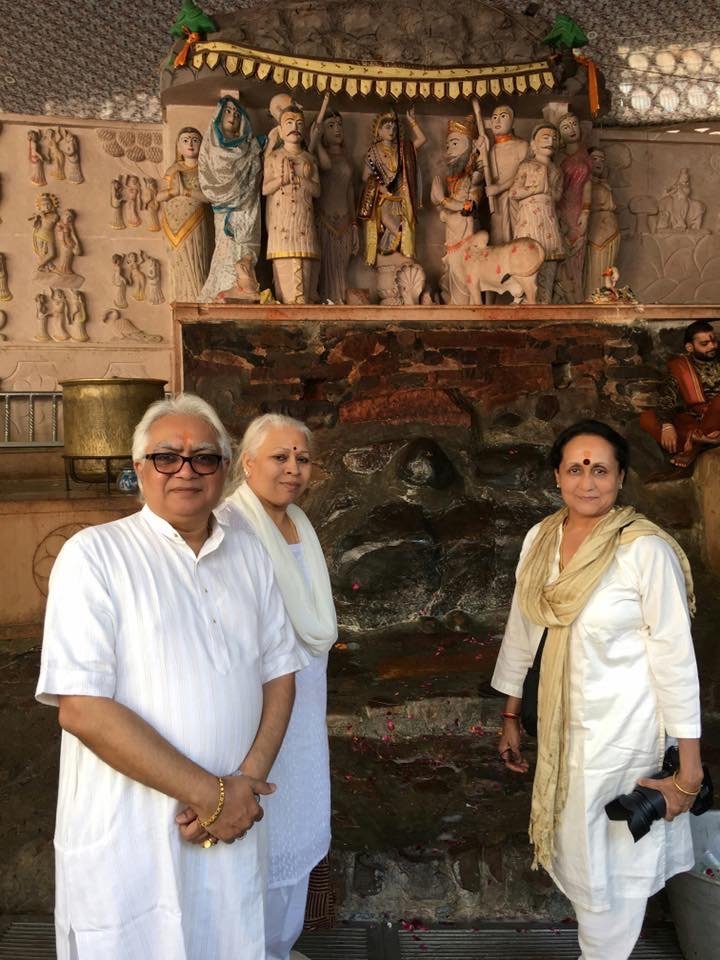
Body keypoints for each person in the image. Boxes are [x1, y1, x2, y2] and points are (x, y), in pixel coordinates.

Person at [36, 394, 307, 960]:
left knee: (228, 942)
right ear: (139, 470)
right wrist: (209, 795)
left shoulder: (250, 556)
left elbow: (280, 674)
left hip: (228, 821)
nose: (186, 470)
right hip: (133, 829)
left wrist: (242, 786)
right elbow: (81, 708)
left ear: (224, 470)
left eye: (203, 458)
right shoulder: (94, 556)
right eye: (167, 457)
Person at [492, 419, 703, 960]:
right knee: (582, 860)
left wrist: (689, 770)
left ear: (621, 477)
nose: (588, 481)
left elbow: (675, 657)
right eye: (575, 468)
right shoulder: (541, 540)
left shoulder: (644, 550)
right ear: (558, 477)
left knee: (616, 866)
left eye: (601, 469)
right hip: (564, 736)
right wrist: (511, 714)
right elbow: (524, 629)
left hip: (625, 736)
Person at [227, 413, 337, 960]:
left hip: (304, 699)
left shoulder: (298, 522)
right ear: (247, 463)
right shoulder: (231, 525)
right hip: (255, 704)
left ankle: (280, 943)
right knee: (259, 832)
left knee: (295, 819)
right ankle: (253, 948)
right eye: (279, 457)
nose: (293, 469)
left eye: (302, 458)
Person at [198, 96, 263, 302]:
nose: (233, 116)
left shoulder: (249, 147)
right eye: (228, 111)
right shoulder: (210, 148)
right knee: (225, 249)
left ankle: (244, 286)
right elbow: (209, 179)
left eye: (237, 113)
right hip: (223, 210)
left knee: (243, 250)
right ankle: (228, 287)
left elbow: (255, 175)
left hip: (247, 206)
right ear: (218, 115)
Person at [639, 320, 720, 469]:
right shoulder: (680, 367)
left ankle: (695, 447)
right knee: (647, 418)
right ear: (690, 347)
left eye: (714, 341)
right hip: (695, 421)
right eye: (705, 344)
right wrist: (667, 426)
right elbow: (666, 397)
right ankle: (701, 440)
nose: (712, 346)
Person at [263, 103, 321, 304]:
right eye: (289, 123)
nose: (294, 127)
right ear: (280, 130)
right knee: (287, 289)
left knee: (306, 285)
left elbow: (317, 191)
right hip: (282, 225)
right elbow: (265, 189)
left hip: (305, 224)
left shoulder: (309, 158)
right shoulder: (274, 157)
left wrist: (300, 180)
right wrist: (282, 179)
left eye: (299, 123)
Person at [357, 107, 426, 267]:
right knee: (393, 226)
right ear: (378, 131)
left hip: (402, 197)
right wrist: (380, 187)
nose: (392, 130)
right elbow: (365, 177)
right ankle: (394, 253)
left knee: (405, 227)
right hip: (384, 199)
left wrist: (412, 121)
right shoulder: (373, 152)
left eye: (394, 127)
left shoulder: (402, 148)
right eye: (387, 127)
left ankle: (403, 254)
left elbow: (422, 139)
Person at [430, 115, 483, 305]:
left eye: (454, 143)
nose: (449, 150)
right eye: (447, 146)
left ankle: (462, 304)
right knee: (450, 271)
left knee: (463, 272)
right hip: (452, 236)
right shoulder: (453, 180)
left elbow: (468, 207)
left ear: (469, 146)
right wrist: (438, 202)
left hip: (466, 236)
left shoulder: (473, 178)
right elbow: (445, 213)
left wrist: (442, 200)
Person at [509, 123, 564, 304]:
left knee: (549, 264)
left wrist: (547, 190)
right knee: (528, 262)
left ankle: (545, 303)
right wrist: (536, 188)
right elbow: (514, 193)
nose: (551, 141)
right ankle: (525, 301)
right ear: (533, 144)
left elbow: (557, 195)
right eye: (545, 137)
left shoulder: (556, 170)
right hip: (529, 219)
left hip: (548, 218)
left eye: (554, 138)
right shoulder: (526, 166)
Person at [157, 127, 214, 302]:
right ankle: (182, 301)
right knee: (179, 265)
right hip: (173, 223)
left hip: (196, 221)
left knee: (196, 264)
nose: (190, 144)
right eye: (185, 140)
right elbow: (160, 196)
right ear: (179, 147)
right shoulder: (173, 170)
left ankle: (198, 302)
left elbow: (211, 197)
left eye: (195, 140)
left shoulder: (205, 170)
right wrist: (174, 192)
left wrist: (187, 191)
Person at [553, 113, 592, 304]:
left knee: (578, 249)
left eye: (574, 124)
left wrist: (586, 210)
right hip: (560, 206)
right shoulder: (558, 157)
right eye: (566, 127)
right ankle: (561, 294)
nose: (571, 129)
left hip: (578, 206)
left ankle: (576, 293)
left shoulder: (585, 155)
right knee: (562, 247)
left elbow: (587, 185)